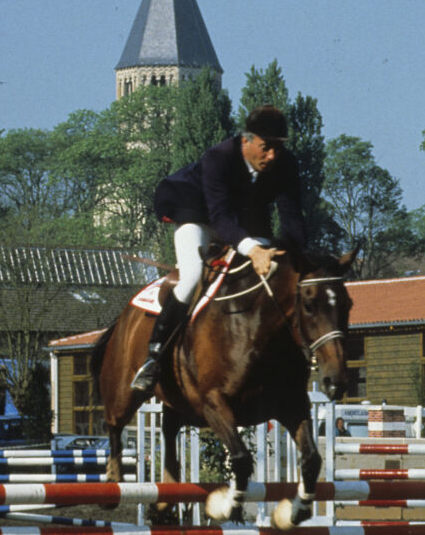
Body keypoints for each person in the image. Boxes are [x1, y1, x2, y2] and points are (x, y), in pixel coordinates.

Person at [130, 104, 308, 394]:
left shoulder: (285, 164)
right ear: (246, 140)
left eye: (277, 148)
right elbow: (220, 218)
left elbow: (292, 218)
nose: (272, 156)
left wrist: (296, 260)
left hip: (243, 218)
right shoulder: (219, 157)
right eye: (265, 148)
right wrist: (253, 249)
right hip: (197, 211)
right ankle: (154, 357)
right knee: (191, 276)